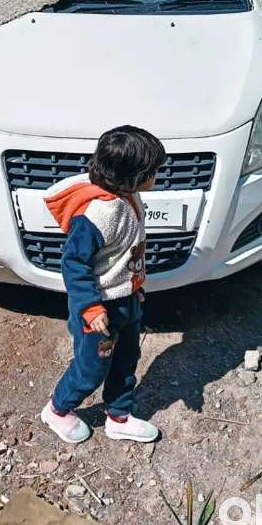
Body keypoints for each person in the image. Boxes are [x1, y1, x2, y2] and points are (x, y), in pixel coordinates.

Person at [41, 125, 165, 444]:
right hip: (100, 309)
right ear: (132, 176)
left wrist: (137, 284)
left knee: (126, 359)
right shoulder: (99, 214)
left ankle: (119, 416)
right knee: (91, 367)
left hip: (127, 300)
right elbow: (73, 263)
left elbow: (125, 254)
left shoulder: (129, 199)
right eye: (152, 171)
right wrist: (89, 307)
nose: (158, 176)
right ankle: (57, 409)